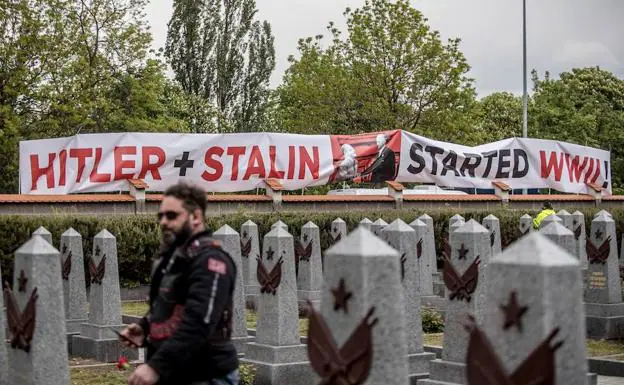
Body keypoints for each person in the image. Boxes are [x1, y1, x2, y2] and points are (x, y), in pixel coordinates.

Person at [120, 182, 239, 385]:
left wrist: (156, 366)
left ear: (196, 217)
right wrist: (145, 327)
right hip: (176, 372)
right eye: (161, 216)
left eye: (172, 216)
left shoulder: (210, 261)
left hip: (206, 375)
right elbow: (168, 302)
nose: (164, 222)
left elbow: (199, 322)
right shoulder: (176, 256)